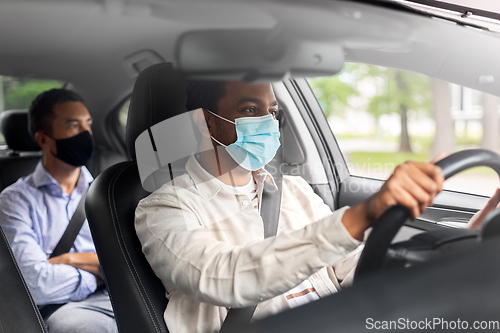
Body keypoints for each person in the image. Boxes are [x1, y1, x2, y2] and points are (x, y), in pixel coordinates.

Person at [134, 80, 497, 333]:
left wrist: (466, 242)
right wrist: (362, 214)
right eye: (249, 109)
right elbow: (222, 276)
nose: (267, 122)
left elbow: (354, 267)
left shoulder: (293, 191)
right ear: (205, 121)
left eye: (272, 112)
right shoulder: (164, 209)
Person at [0, 89, 118, 332]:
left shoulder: (108, 190)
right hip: (63, 307)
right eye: (74, 126)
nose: (86, 134)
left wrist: (66, 260)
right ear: (43, 139)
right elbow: (35, 284)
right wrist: (99, 274)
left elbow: (128, 263)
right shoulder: (14, 201)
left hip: (121, 294)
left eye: (88, 124)